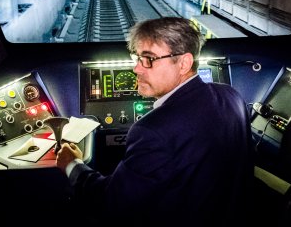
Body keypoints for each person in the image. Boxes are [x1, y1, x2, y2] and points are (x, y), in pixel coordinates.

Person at [56, 17, 254, 226]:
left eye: (148, 59)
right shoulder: (231, 96)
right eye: (137, 58)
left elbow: (111, 203)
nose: (137, 69)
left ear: (184, 63)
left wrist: (72, 165)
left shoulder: (151, 131)